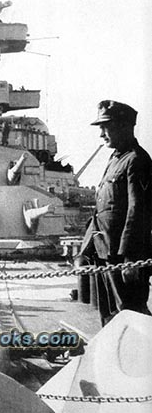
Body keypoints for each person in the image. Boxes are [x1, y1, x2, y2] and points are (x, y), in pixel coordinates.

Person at [80, 100, 152, 326]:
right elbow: (101, 211)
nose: (102, 134)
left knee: (132, 315)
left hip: (123, 257)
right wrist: (85, 249)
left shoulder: (137, 160)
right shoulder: (115, 160)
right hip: (105, 252)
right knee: (110, 317)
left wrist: (130, 258)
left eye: (106, 126)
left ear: (124, 126)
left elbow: (139, 211)